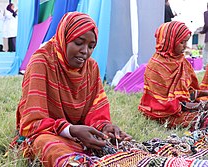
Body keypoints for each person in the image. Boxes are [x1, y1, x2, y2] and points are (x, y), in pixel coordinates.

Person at [11, 12, 132, 166]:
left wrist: (105, 128)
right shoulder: (41, 62)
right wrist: (71, 130)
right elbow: (32, 123)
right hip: (50, 133)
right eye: (79, 42)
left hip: (82, 135)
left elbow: (96, 112)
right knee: (45, 144)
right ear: (64, 37)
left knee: (118, 146)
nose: (85, 51)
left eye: (91, 46)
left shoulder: (91, 67)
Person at [138, 21, 208, 130]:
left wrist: (203, 93)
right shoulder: (156, 66)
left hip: (182, 107)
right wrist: (198, 106)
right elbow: (161, 104)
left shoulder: (182, 62)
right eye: (182, 42)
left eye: (186, 42)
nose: (185, 46)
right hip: (164, 115)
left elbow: (186, 94)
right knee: (203, 119)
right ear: (170, 42)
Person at [200, 3, 208, 69]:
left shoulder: (206, 13)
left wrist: (203, 31)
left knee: (205, 50)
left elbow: (207, 24)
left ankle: (205, 65)